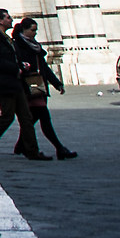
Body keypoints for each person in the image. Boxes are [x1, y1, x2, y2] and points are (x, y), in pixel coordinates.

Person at [0, 8, 47, 160]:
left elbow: (10, 57)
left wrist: (20, 65)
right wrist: (15, 68)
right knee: (7, 116)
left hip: (14, 81)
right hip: (4, 82)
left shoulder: (5, 37)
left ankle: (32, 151)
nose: (11, 20)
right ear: (0, 20)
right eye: (8, 18)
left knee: (26, 116)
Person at [12, 18, 77, 159]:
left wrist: (57, 83)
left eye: (36, 30)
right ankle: (59, 148)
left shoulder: (34, 45)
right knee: (44, 118)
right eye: (32, 30)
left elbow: (44, 67)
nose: (35, 33)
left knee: (32, 119)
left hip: (39, 86)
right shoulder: (18, 46)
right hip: (29, 87)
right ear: (24, 30)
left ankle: (20, 146)